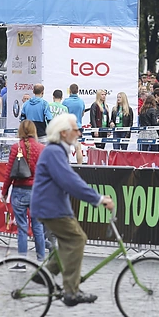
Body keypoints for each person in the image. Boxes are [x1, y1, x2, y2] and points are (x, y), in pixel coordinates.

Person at [31, 114, 114, 306]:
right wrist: (98, 198)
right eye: (75, 130)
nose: (79, 132)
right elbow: (69, 181)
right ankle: (71, 291)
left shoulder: (58, 150)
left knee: (72, 241)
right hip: (50, 208)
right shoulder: (54, 152)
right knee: (77, 239)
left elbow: (68, 180)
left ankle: (44, 274)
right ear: (63, 133)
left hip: (53, 207)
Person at [4, 120, 46, 269]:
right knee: (38, 227)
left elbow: (9, 172)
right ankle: (41, 261)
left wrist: (4, 191)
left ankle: (22, 262)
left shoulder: (16, 147)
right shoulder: (42, 148)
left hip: (19, 191)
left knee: (22, 228)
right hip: (37, 191)